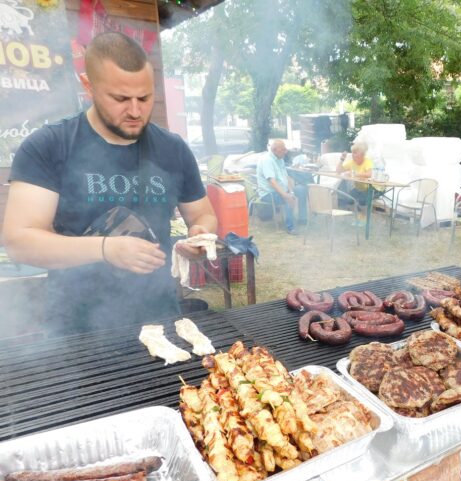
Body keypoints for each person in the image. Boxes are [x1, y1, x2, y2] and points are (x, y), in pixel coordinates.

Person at [3, 32, 217, 336]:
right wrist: (106, 249)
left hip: (159, 316)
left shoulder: (172, 149)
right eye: (120, 98)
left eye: (144, 98)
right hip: (77, 325)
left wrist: (200, 235)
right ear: (88, 86)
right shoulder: (49, 146)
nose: (135, 111)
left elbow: (202, 215)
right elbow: (20, 242)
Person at [255, 139, 305, 235]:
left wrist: (291, 191)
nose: (285, 152)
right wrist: (286, 195)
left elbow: (286, 177)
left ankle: (302, 219)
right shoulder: (267, 160)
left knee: (302, 189)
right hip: (268, 193)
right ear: (274, 150)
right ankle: (291, 228)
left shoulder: (280, 159)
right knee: (287, 199)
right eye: (282, 150)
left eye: (285, 149)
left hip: (281, 190)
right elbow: (272, 183)